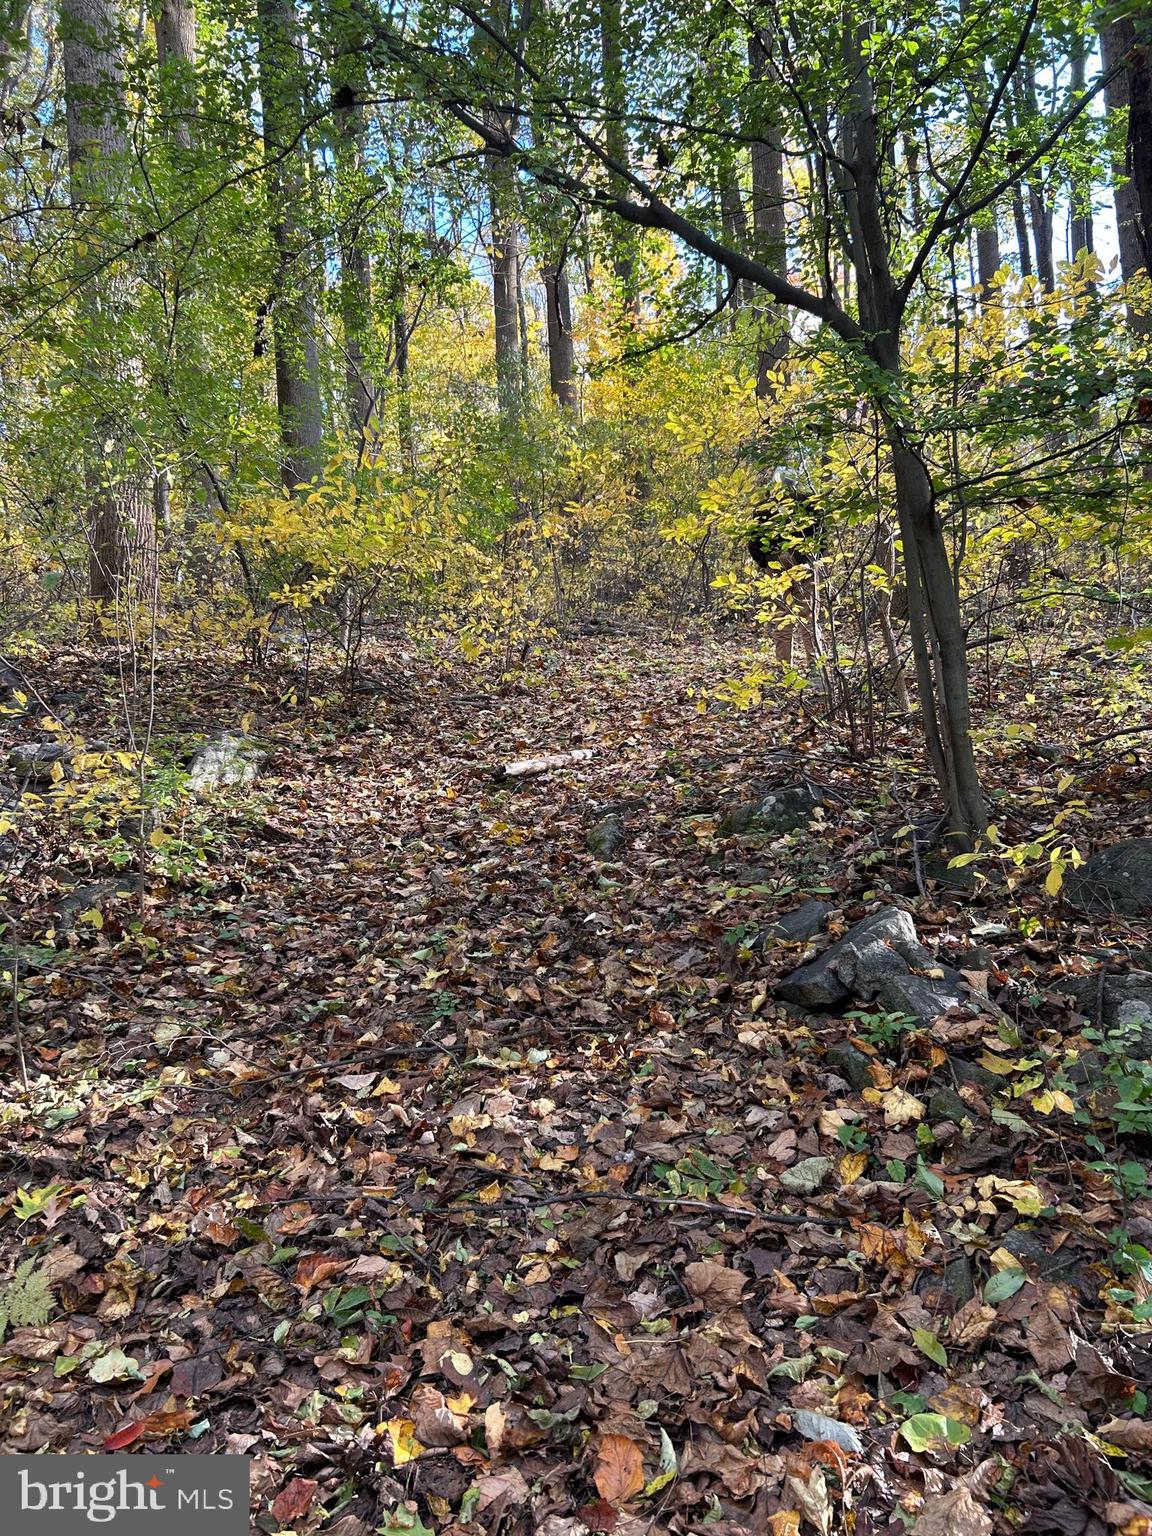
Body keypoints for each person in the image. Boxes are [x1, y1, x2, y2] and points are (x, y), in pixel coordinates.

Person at [745, 471, 825, 666]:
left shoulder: (764, 507)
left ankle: (784, 668)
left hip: (779, 564)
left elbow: (753, 542)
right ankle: (815, 667)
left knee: (782, 615)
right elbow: (821, 536)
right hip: (804, 561)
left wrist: (766, 562)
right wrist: (817, 560)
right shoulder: (809, 502)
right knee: (808, 614)